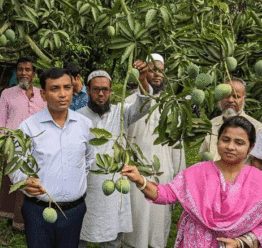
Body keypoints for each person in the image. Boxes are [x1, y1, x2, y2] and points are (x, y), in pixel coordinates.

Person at [122, 116, 262, 247]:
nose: (230, 147)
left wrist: (241, 243)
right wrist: (140, 181)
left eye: (239, 143)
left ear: (250, 147)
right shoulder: (198, 171)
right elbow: (167, 194)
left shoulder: (258, 180)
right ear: (217, 141)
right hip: (194, 242)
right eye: (225, 140)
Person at [9, 68, 95, 248]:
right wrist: (25, 182)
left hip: (73, 211)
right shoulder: (28, 127)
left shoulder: (85, 125)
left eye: (67, 87)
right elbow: (15, 165)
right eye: (55, 89)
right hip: (38, 211)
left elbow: (88, 160)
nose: (63, 94)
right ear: (43, 94)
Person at [78, 65, 152, 248]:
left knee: (112, 238)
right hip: (87, 188)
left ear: (111, 91)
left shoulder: (121, 113)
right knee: (79, 233)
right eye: (96, 89)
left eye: (105, 89)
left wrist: (142, 79)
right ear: (88, 91)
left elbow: (144, 105)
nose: (101, 94)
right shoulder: (78, 117)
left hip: (113, 189)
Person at [122, 54, 185, 248]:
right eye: (152, 69)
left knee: (158, 228)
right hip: (135, 174)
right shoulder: (130, 104)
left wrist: (180, 179)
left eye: (161, 70)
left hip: (163, 174)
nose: (157, 74)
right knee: (135, 224)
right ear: (143, 72)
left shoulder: (172, 106)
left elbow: (177, 145)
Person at [0, 57, 47, 233]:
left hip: (36, 148)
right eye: (20, 69)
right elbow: (1, 121)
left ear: (33, 73)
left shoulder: (43, 95)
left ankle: (27, 220)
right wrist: (0, 146)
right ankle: (11, 219)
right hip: (12, 146)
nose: (24, 73)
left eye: (28, 69)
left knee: (31, 181)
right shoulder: (7, 94)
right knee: (12, 182)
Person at [199, 77, 262, 161]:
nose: (230, 100)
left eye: (236, 96)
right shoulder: (211, 124)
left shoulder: (257, 128)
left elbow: (257, 165)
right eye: (226, 96)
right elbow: (204, 155)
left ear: (244, 99)